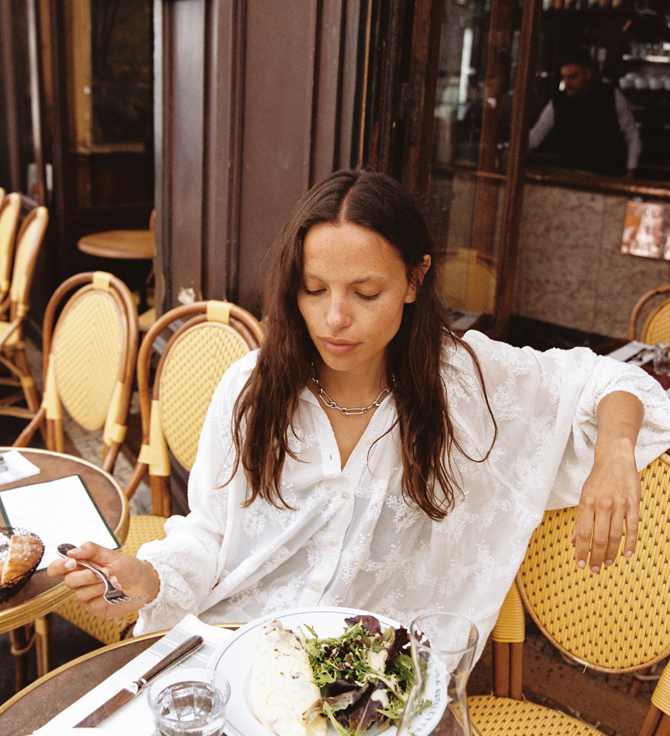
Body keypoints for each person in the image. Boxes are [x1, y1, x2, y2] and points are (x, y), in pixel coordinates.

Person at [48, 168, 670, 653]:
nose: (334, 319)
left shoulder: (465, 382)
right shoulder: (252, 390)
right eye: (313, 290)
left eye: (366, 293)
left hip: (376, 684)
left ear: (415, 279)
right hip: (237, 647)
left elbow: (610, 379)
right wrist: (148, 577)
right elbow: (211, 537)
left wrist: (613, 458)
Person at [528, 50, 641, 177]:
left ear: (588, 74)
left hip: (606, 176)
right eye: (564, 77)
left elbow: (631, 135)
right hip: (569, 176)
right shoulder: (558, 102)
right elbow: (536, 136)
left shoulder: (611, 96)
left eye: (572, 77)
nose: (566, 83)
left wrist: (631, 170)